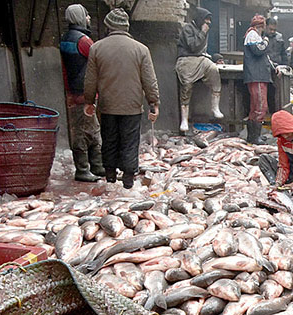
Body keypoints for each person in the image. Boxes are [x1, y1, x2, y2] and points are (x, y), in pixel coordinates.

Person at [83, 9, 159, 189]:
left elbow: (90, 79)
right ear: (126, 27)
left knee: (109, 140)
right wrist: (153, 102)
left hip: (107, 105)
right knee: (130, 141)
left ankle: (110, 176)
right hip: (132, 106)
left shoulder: (96, 48)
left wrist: (89, 101)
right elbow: (149, 80)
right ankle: (128, 179)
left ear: (108, 26)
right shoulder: (141, 49)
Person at [59, 4, 103, 182]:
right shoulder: (83, 40)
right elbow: (98, 61)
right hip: (85, 92)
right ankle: (83, 169)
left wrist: (68, 91)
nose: (89, 18)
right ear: (79, 17)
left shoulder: (66, 38)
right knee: (84, 131)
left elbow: (65, 69)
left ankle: (97, 166)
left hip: (76, 90)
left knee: (91, 127)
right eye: (86, 15)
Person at [175, 7, 223, 134]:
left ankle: (215, 107)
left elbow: (202, 50)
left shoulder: (204, 30)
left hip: (200, 59)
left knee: (213, 70)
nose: (208, 25)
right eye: (206, 21)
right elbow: (193, 46)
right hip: (186, 59)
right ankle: (184, 120)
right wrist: (202, 33)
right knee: (186, 85)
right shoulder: (188, 29)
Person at [243, 15, 271, 145]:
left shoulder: (253, 35)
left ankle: (253, 136)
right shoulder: (253, 35)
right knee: (260, 106)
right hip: (256, 76)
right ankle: (255, 137)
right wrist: (266, 42)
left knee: (255, 106)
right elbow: (259, 51)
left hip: (258, 75)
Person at [265, 18, 289, 116]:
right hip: (265, 68)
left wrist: (285, 66)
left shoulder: (279, 37)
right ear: (266, 27)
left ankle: (276, 114)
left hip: (278, 68)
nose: (272, 32)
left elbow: (283, 53)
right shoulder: (261, 38)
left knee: (277, 93)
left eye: (274, 30)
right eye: (270, 29)